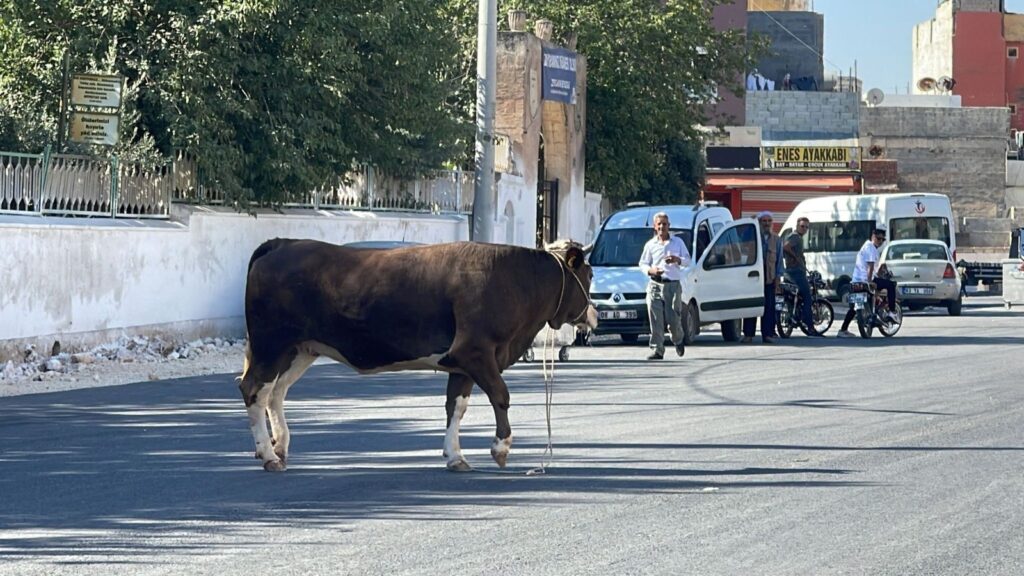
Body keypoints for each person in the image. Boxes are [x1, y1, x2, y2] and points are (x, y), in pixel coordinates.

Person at [639, 212, 689, 360]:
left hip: (672, 285)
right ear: (655, 227)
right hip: (655, 284)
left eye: (664, 224)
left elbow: (688, 260)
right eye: (659, 224)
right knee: (655, 319)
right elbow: (642, 263)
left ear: (669, 226)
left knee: (673, 319)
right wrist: (650, 270)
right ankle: (657, 349)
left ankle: (678, 339)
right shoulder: (650, 245)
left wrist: (677, 259)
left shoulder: (677, 242)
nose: (662, 227)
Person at [837, 227, 898, 337]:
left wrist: (881, 270)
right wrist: (870, 282)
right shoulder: (871, 248)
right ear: (873, 237)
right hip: (865, 280)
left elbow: (875, 270)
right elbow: (870, 267)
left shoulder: (865, 247)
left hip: (855, 281)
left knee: (853, 308)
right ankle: (892, 312)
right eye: (879, 239)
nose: (880, 242)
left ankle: (843, 330)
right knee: (890, 286)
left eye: (883, 240)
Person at [743, 211, 784, 344]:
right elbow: (742, 244)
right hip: (753, 278)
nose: (766, 224)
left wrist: (778, 279)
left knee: (769, 308)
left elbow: (779, 261)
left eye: (769, 221)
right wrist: (750, 223)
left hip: (769, 278)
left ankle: (767, 334)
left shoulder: (776, 239)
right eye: (763, 221)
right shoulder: (752, 237)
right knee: (752, 306)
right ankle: (748, 334)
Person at [783, 217, 822, 337]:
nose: (804, 229)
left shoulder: (795, 237)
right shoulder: (795, 237)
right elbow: (786, 247)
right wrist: (796, 257)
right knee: (807, 297)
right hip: (796, 273)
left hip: (790, 272)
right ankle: (810, 326)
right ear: (797, 226)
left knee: (792, 298)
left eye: (806, 227)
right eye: (802, 226)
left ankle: (792, 318)